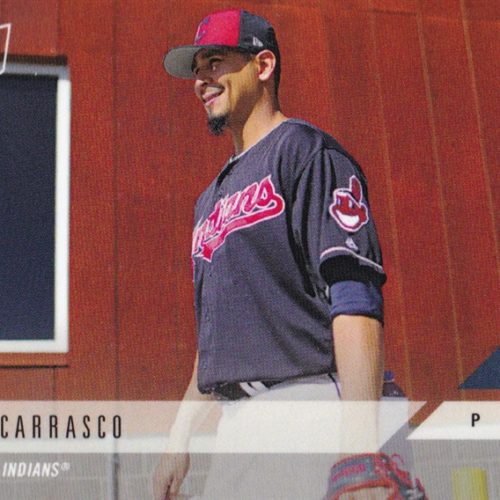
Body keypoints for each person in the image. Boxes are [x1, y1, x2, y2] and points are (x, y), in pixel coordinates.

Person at [155, 9, 389, 500]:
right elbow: (219, 334)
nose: (201, 80)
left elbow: (353, 294)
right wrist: (179, 437)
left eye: (215, 62)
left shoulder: (306, 152)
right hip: (238, 425)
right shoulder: (209, 200)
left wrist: (360, 450)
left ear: (262, 66)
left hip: (307, 406)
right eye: (197, 69)